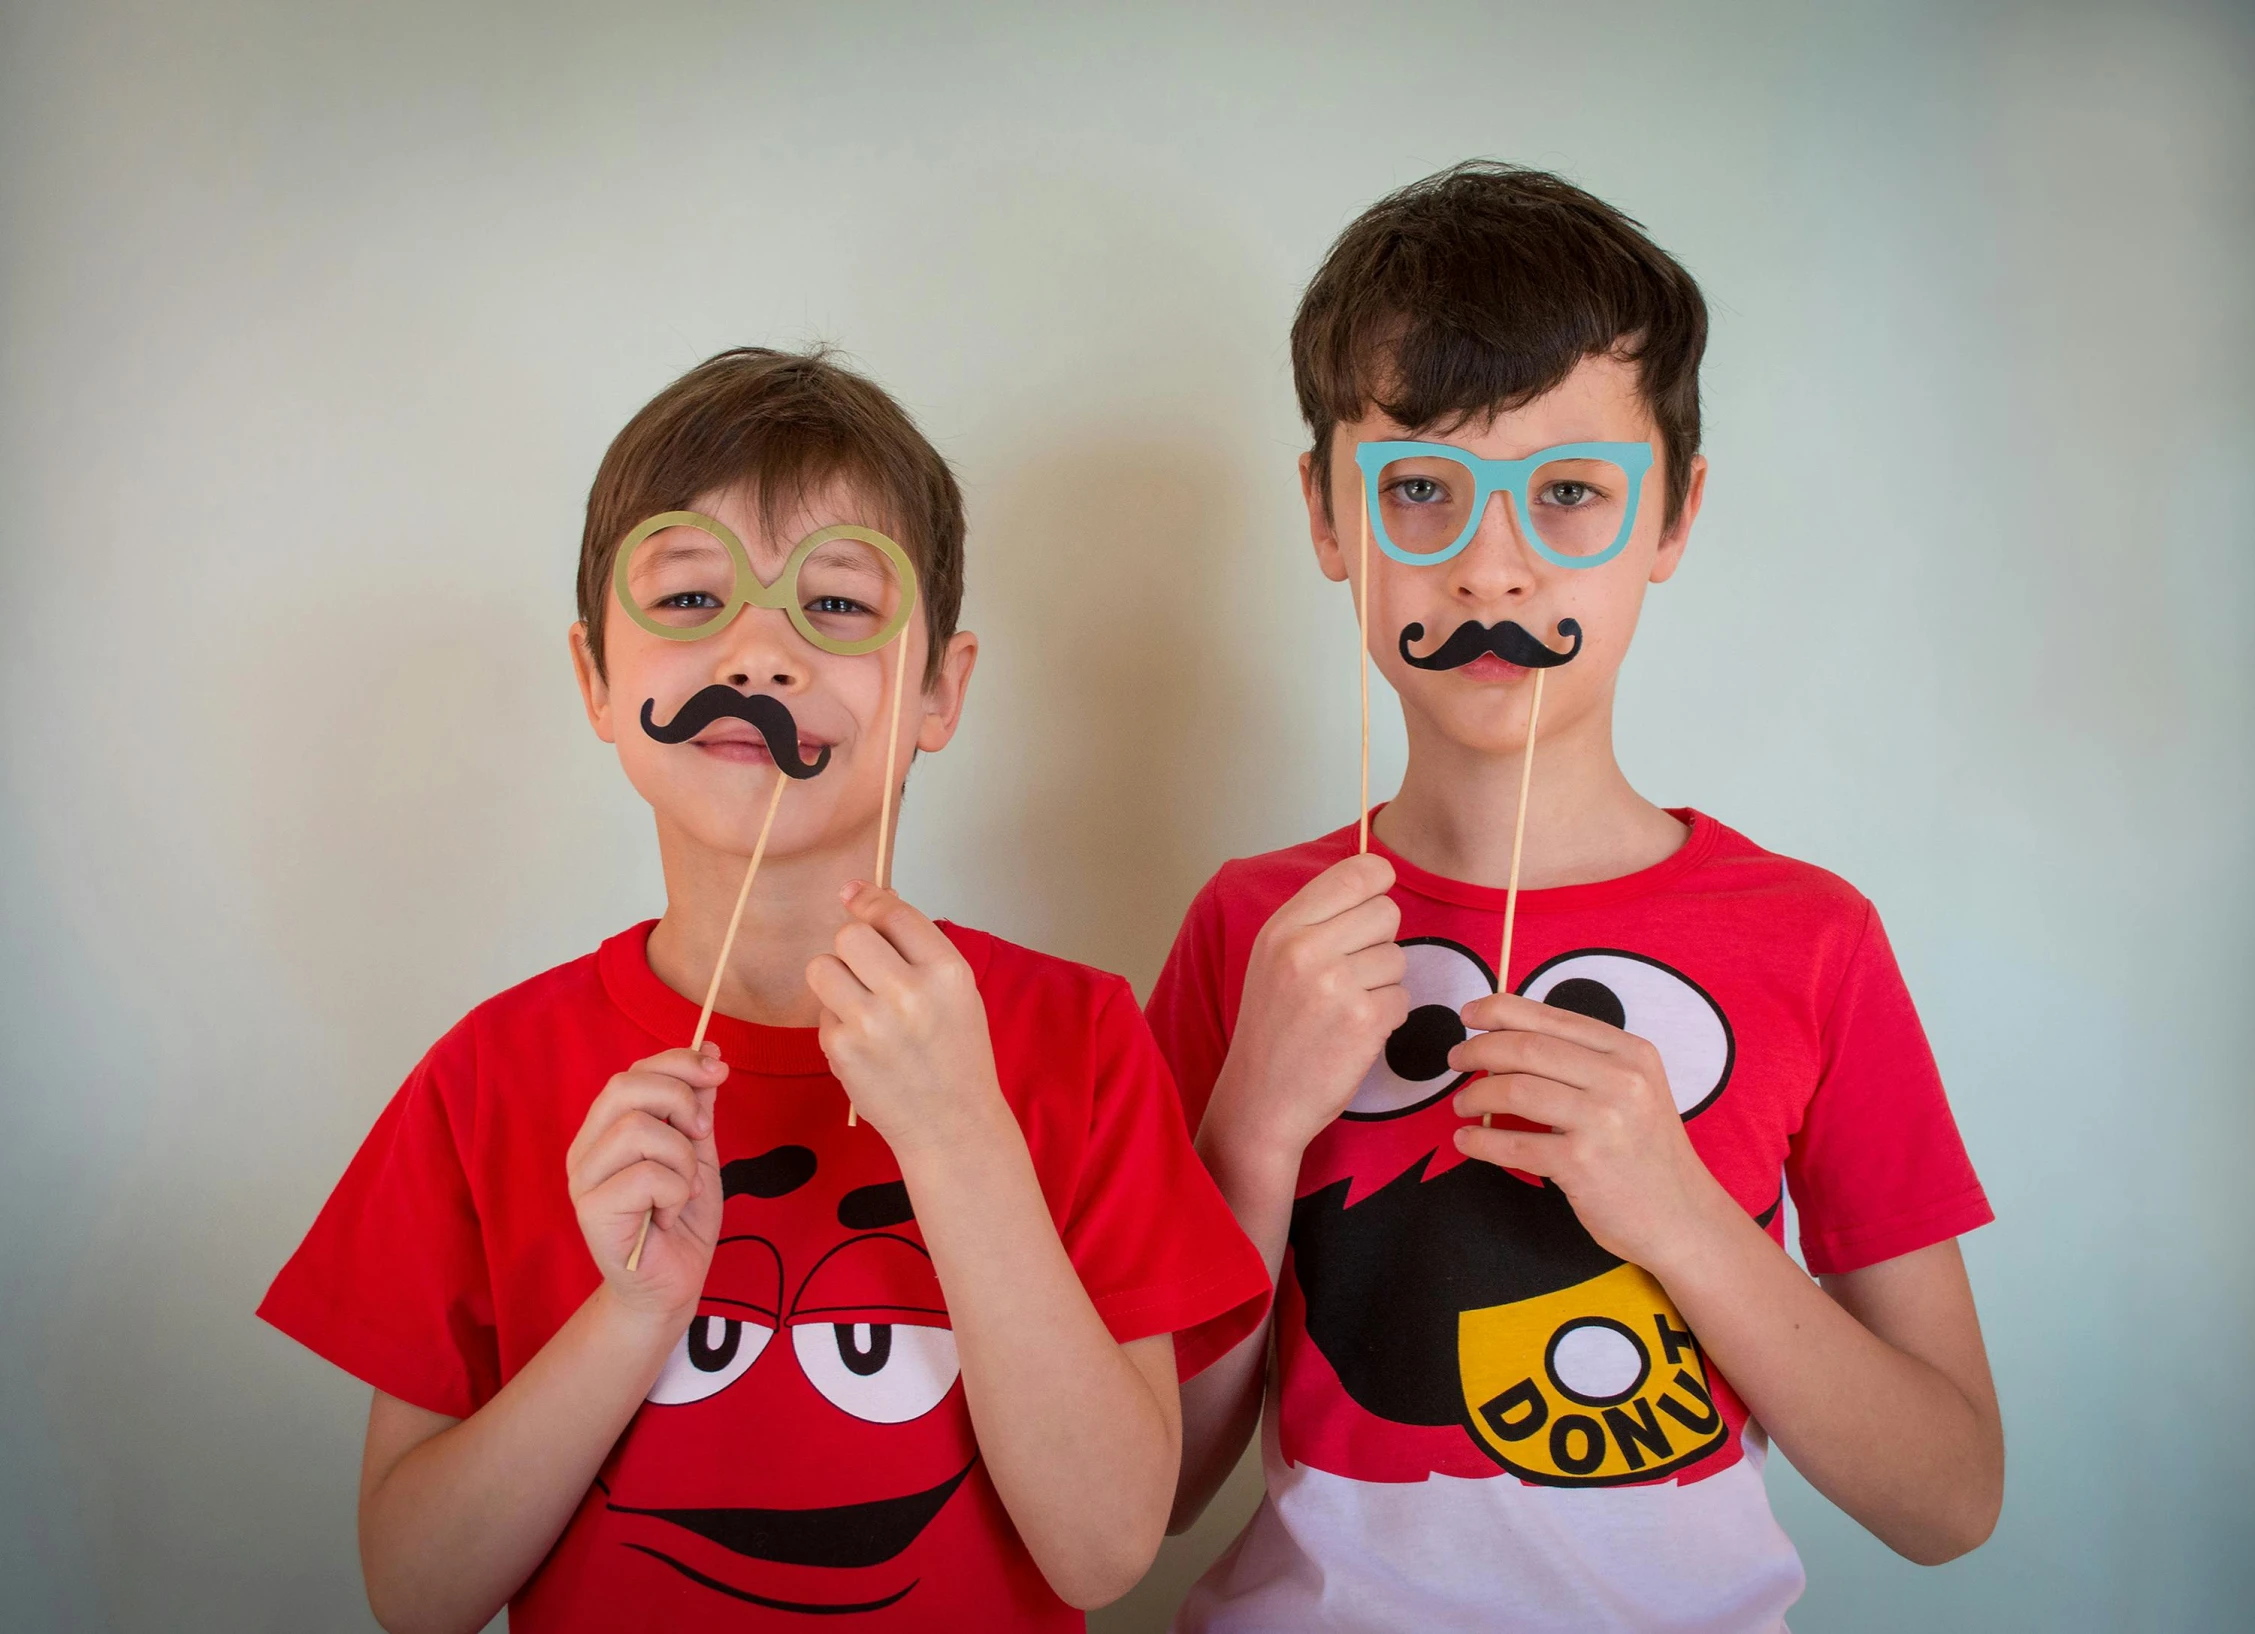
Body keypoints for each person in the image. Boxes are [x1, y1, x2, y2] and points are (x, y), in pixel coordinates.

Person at [260, 346, 1270, 1632]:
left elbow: (1104, 1550)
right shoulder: (488, 1074)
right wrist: (630, 1315)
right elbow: (416, 1589)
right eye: (691, 597)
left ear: (939, 693)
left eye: (837, 607)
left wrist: (961, 1135)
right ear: (594, 682)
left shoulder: (1076, 1038)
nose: (759, 649)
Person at [1152, 164, 2002, 1633]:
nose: (1489, 562)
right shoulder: (1250, 928)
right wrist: (1251, 1129)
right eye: (1417, 487)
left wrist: (1675, 1212)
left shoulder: (1810, 938)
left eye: (1565, 493)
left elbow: (1946, 1497)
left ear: (1670, 517)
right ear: (1325, 517)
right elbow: (1150, 1486)